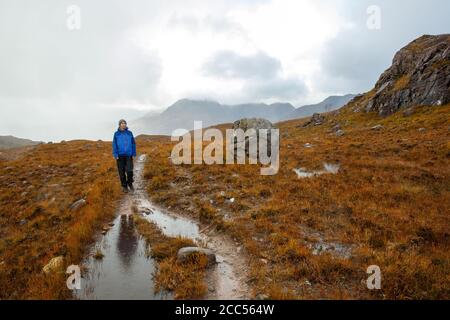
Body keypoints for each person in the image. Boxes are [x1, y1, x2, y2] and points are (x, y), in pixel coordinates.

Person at [112, 119, 137, 193]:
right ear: (119, 125)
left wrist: (134, 153)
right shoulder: (116, 134)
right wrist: (115, 154)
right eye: (122, 123)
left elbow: (133, 143)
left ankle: (130, 183)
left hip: (129, 155)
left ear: (126, 124)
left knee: (129, 171)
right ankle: (124, 186)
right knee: (121, 172)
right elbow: (114, 144)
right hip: (120, 156)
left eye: (124, 123)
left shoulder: (129, 133)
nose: (123, 124)